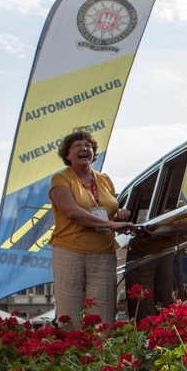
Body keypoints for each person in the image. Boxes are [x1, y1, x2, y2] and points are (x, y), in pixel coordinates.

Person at [49, 129, 135, 329]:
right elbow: (72, 212)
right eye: (77, 146)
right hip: (70, 251)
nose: (84, 149)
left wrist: (119, 215)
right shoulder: (60, 179)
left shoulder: (104, 180)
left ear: (94, 153)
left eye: (88, 146)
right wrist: (111, 224)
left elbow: (105, 211)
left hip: (103, 253)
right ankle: (72, 357)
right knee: (70, 314)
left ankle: (101, 357)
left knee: (103, 314)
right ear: (67, 155)